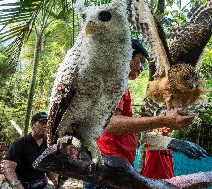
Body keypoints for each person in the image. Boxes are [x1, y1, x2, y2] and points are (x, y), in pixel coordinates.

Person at [83, 39, 200, 189]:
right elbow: (110, 124)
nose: (142, 67)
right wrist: (163, 120)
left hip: (113, 167)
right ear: (126, 56)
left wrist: (172, 141)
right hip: (108, 167)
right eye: (140, 61)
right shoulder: (114, 82)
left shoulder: (119, 85)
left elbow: (130, 135)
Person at [3, 112, 59, 189]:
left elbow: (48, 169)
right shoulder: (19, 143)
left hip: (39, 183)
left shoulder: (48, 146)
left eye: (47, 123)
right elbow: (8, 169)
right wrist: (17, 185)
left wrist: (56, 180)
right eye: (42, 123)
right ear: (32, 125)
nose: (45, 125)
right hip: (18, 183)